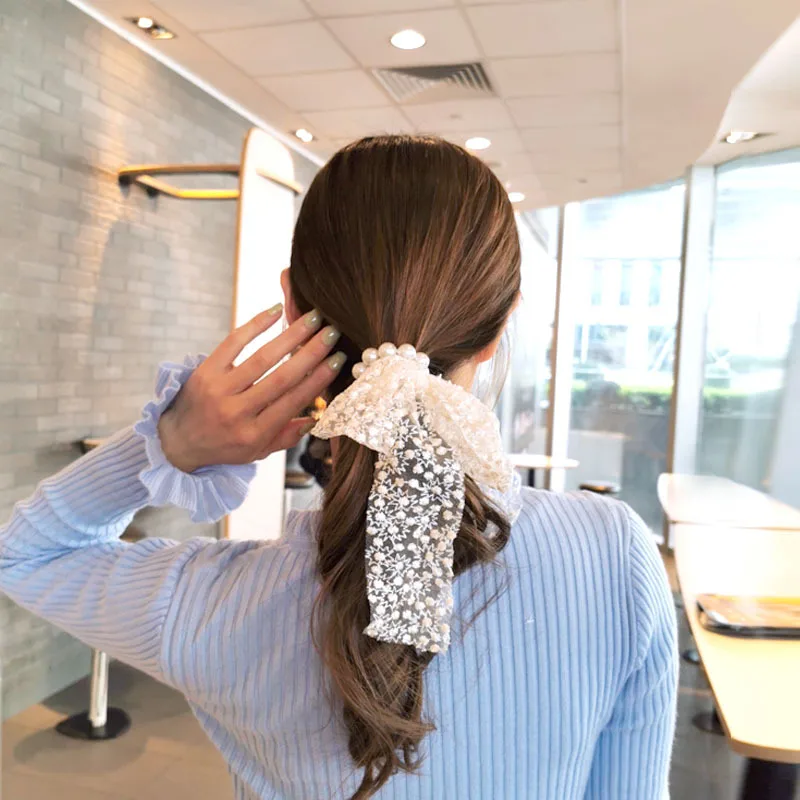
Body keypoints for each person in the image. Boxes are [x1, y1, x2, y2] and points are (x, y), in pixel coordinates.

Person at [0, 136, 677, 799]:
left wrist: (174, 441)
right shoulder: (617, 557)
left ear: (294, 308)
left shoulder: (211, 607)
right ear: (498, 329)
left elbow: (25, 555)